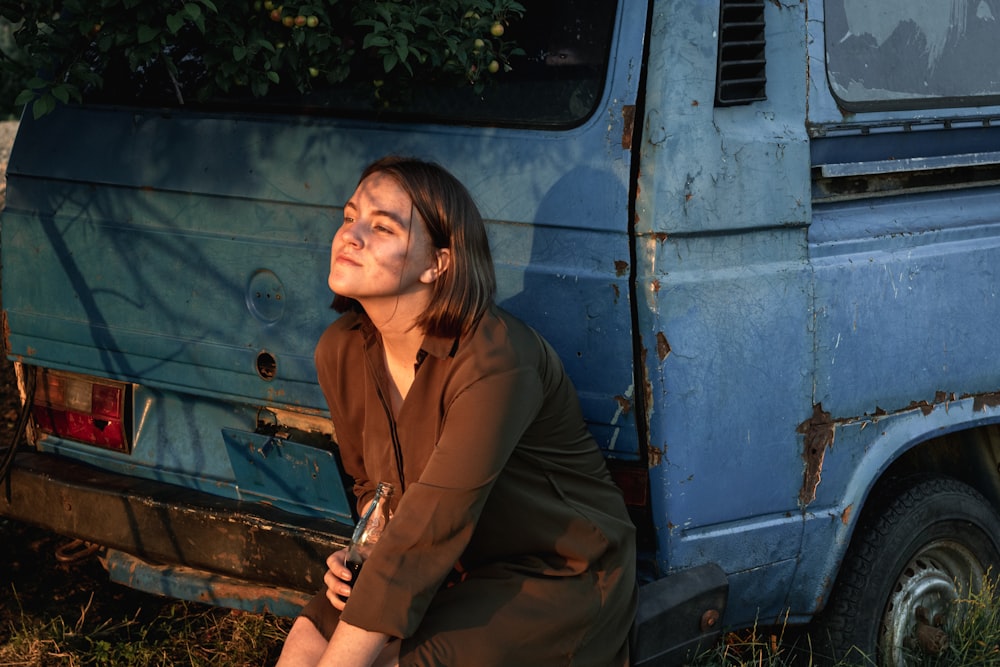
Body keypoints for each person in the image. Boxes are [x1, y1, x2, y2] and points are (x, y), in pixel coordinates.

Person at [276, 156, 636, 667]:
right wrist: (365, 550)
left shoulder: (497, 361)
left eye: (381, 227)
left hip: (556, 573)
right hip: (443, 565)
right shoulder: (341, 349)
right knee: (307, 637)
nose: (349, 236)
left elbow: (431, 525)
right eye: (349, 216)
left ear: (438, 263)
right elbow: (371, 491)